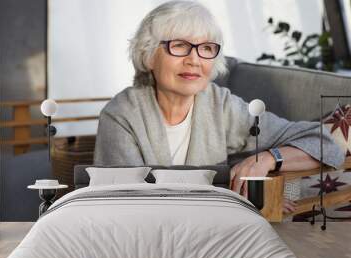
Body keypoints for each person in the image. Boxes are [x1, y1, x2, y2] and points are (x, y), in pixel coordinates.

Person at [93, 0, 344, 213]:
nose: (194, 60)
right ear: (148, 55)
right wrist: (234, 198)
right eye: (179, 46)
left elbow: (324, 142)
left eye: (206, 48)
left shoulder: (221, 105)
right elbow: (129, 203)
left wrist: (269, 159)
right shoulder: (121, 115)